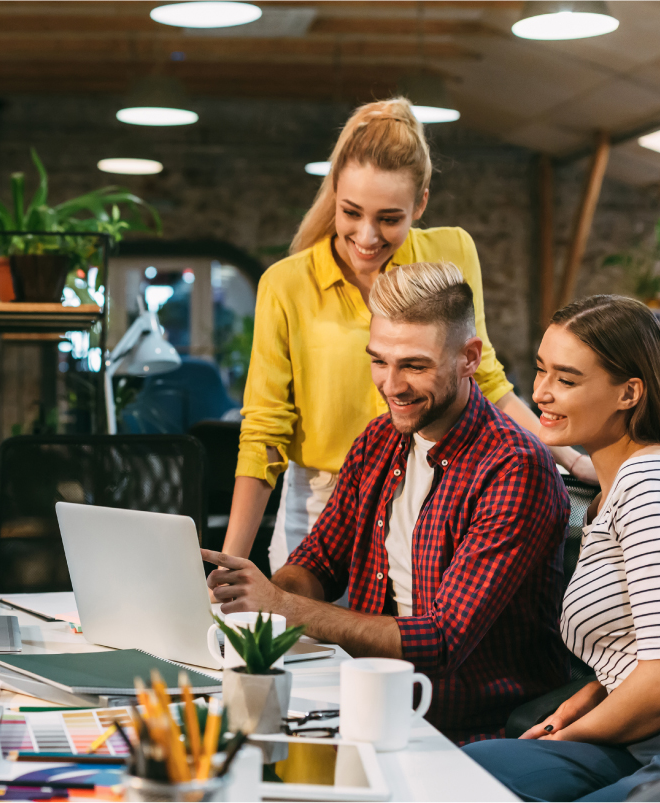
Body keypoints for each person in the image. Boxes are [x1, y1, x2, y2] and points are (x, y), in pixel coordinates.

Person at [203, 261, 570, 743]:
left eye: (414, 365)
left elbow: (439, 640)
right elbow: (318, 562)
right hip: (367, 701)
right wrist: (258, 604)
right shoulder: (380, 439)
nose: (391, 386)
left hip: (471, 730)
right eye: (379, 360)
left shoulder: (513, 467)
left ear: (469, 358)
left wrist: (285, 606)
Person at [224, 97, 594, 573]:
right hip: (321, 504)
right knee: (306, 639)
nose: (367, 235)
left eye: (389, 218)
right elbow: (264, 433)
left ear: (420, 203)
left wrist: (572, 460)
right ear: (333, 192)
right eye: (351, 212)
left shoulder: (451, 250)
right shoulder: (286, 283)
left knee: (411, 642)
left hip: (433, 488)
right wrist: (229, 562)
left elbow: (484, 378)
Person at [463, 295, 660, 801]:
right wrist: (583, 702)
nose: (541, 394)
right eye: (541, 371)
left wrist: (572, 735)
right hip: (633, 734)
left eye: (567, 380)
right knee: (464, 770)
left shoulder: (647, 485)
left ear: (629, 393)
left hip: (649, 742)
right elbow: (638, 648)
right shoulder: (612, 488)